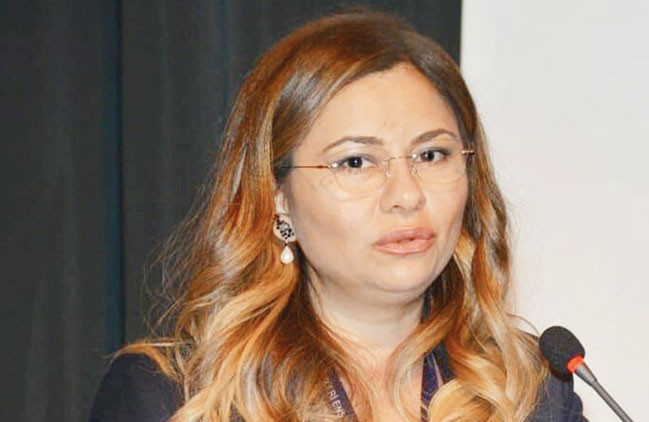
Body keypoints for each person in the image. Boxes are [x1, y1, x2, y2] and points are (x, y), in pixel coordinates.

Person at [90, 10, 587, 422]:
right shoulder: (174, 396)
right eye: (355, 162)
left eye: (431, 155)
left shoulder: (532, 392)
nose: (406, 195)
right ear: (277, 197)